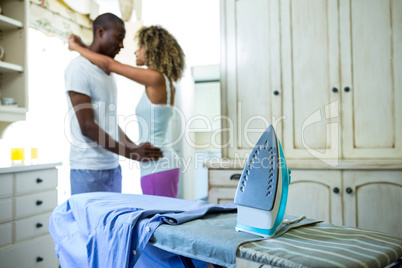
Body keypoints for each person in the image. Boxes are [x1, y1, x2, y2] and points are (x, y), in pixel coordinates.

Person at [68, 24, 185, 198]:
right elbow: (106, 62)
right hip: (163, 162)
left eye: (141, 47)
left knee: (160, 220)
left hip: (156, 164)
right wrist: (86, 48)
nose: (136, 52)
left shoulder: (155, 78)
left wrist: (76, 47)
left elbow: (108, 64)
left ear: (153, 50)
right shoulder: (165, 81)